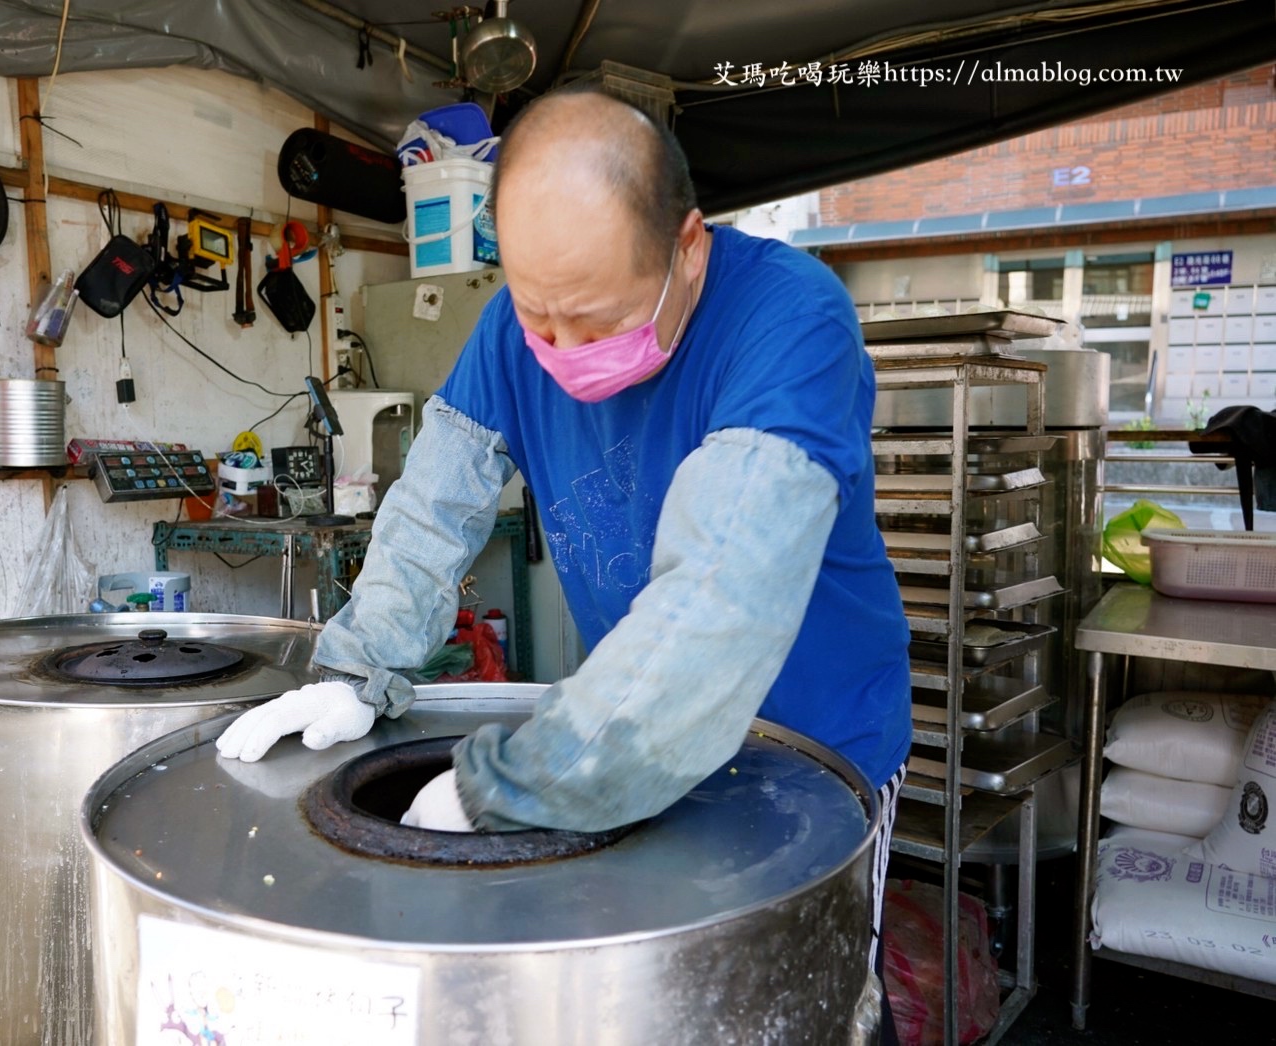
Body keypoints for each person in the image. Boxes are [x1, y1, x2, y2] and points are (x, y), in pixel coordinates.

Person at [217, 87, 910, 1024]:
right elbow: (434, 503)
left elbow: (719, 598)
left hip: (813, 755)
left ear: (688, 247)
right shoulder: (515, 329)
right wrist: (361, 666)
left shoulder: (792, 322)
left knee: (794, 1005)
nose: (557, 350)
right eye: (538, 316)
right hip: (623, 741)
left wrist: (508, 785)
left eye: (591, 320)